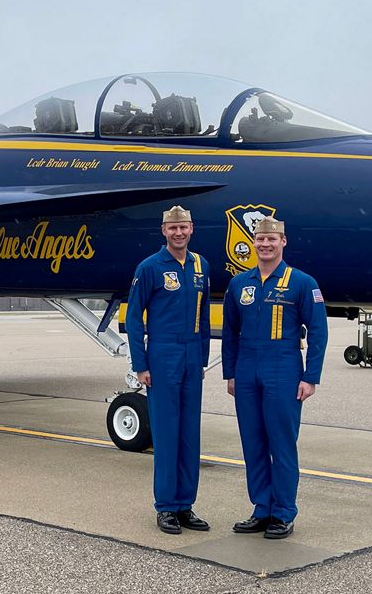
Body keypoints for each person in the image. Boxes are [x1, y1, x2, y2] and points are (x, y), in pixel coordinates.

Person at [221, 216, 327, 540]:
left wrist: (310, 378)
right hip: (247, 369)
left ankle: (283, 512)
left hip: (283, 367)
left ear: (284, 242)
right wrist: (231, 373)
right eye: (260, 239)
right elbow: (229, 331)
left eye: (272, 239)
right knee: (253, 443)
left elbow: (319, 332)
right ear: (254, 242)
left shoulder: (302, 283)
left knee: (281, 444)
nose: (265, 244)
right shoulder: (240, 283)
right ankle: (261, 509)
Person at [126, 205, 212, 535]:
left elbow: (203, 317)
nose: (178, 233)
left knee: (190, 433)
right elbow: (134, 319)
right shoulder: (149, 267)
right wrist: (141, 364)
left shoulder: (201, 265)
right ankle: (165, 507)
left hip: (192, 356)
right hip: (162, 354)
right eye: (172, 228)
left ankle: (186, 505)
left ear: (192, 229)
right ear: (164, 231)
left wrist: (202, 358)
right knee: (166, 432)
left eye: (184, 228)